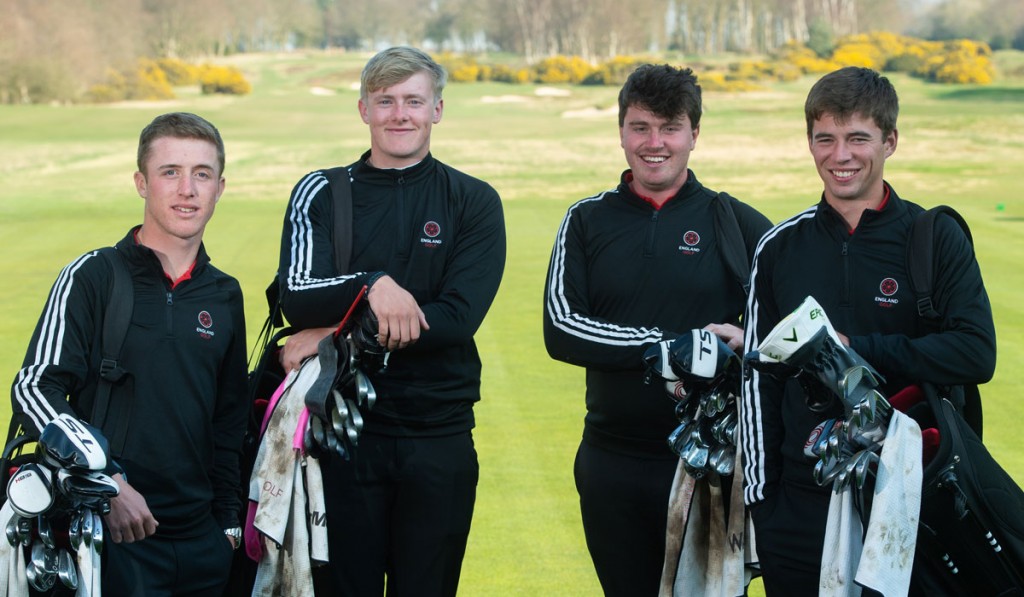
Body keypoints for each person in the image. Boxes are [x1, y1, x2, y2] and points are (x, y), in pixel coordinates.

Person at [740, 66, 997, 596]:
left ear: (890, 141)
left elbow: (976, 353)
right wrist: (763, 500)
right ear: (809, 142)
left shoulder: (935, 237)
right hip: (800, 502)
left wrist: (858, 350)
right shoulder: (779, 247)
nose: (841, 156)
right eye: (825, 139)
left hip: (909, 498)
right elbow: (757, 379)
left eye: (858, 138)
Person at [275, 46, 506, 596]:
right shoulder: (322, 191)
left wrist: (332, 334)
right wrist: (371, 284)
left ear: (437, 111)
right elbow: (298, 297)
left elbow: (455, 319)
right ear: (363, 110)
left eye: (413, 101)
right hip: (340, 438)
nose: (399, 114)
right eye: (385, 101)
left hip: (439, 436)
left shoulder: (473, 201)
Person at [542, 63, 771, 596]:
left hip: (710, 468)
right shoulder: (586, 220)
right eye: (640, 127)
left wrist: (748, 343)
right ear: (621, 130)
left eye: (670, 128)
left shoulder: (736, 222)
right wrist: (670, 348)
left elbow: (789, 335)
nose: (655, 143)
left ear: (694, 133)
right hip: (610, 461)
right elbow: (561, 330)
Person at [9, 112, 249, 595]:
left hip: (202, 546)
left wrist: (226, 527)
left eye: (201, 174)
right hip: (107, 541)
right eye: (170, 172)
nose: (187, 189)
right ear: (142, 183)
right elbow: (35, 387)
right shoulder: (93, 276)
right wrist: (109, 483)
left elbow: (228, 422)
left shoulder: (225, 294)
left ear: (220, 188)